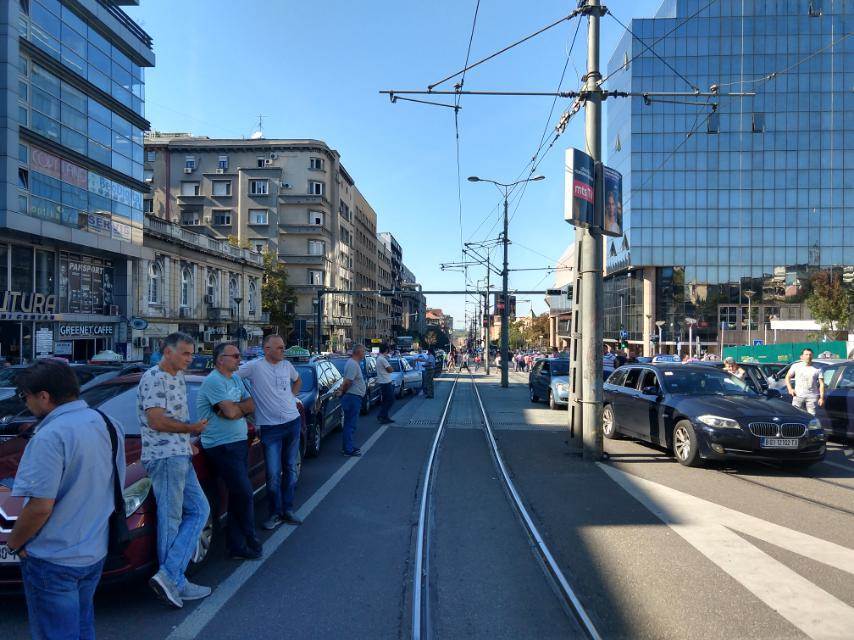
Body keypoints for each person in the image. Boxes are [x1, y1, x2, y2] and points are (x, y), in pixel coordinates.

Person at [9, 360, 125, 640]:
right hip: (94, 550)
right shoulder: (108, 423)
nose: (26, 403)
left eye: (26, 397)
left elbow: (39, 507)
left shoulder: (50, 435)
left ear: (44, 396)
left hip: (54, 557)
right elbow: (114, 484)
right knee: (83, 626)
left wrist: (14, 542)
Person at [137, 332, 210, 609]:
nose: (190, 358)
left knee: (200, 510)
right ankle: (171, 579)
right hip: (165, 457)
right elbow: (156, 421)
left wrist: (187, 441)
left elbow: (173, 419)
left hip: (178, 453)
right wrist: (191, 430)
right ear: (167, 352)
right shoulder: (154, 378)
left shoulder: (176, 376)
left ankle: (173, 576)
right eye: (185, 353)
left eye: (191, 353)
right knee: (171, 518)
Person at [197, 343, 261, 559]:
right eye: (234, 355)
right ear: (220, 359)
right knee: (244, 493)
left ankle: (236, 546)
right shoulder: (214, 381)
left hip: (239, 441)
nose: (238, 358)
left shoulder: (234, 378)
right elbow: (232, 412)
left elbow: (249, 405)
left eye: (239, 355)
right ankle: (251, 538)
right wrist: (235, 409)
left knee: (237, 495)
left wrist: (235, 409)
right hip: (221, 445)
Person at [238, 334, 303, 530]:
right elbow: (231, 375)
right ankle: (275, 513)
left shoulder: (286, 366)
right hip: (270, 427)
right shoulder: (254, 367)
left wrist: (291, 397)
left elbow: (298, 380)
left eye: (284, 347)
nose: (284, 350)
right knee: (274, 473)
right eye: (281, 348)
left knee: (290, 468)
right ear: (267, 349)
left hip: (292, 422)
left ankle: (288, 509)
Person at [338, 345, 366, 456]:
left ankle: (347, 447)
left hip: (353, 397)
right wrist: (343, 392)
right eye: (363, 351)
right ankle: (348, 449)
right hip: (352, 397)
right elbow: (348, 382)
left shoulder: (353, 363)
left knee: (349, 424)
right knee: (350, 424)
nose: (364, 353)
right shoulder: (353, 364)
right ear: (358, 352)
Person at [785, 348, 825, 416]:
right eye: (806, 354)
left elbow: (821, 384)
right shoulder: (796, 366)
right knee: (796, 415)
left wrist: (821, 398)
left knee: (812, 416)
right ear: (802, 356)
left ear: (812, 356)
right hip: (798, 395)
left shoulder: (818, 368)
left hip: (812, 396)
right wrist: (790, 389)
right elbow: (787, 377)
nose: (808, 356)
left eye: (810, 355)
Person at [375, 344, 395, 424]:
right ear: (386, 350)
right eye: (388, 350)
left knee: (385, 401)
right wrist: (390, 367)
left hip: (383, 382)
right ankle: (381, 415)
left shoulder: (379, 358)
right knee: (390, 400)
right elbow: (390, 370)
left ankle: (385, 417)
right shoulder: (382, 359)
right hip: (386, 382)